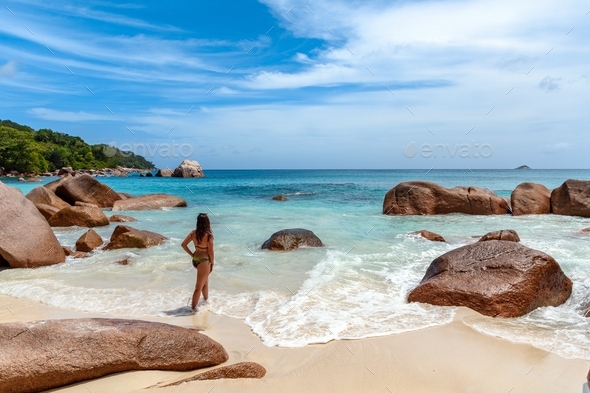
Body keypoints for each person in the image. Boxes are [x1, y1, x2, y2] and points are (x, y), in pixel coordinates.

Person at [181, 213, 214, 311]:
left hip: (196, 260)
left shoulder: (193, 233)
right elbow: (211, 253)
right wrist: (212, 263)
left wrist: (192, 255)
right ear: (207, 223)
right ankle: (193, 310)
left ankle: (206, 302)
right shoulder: (208, 236)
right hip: (204, 261)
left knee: (205, 282)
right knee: (198, 287)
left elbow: (183, 245)